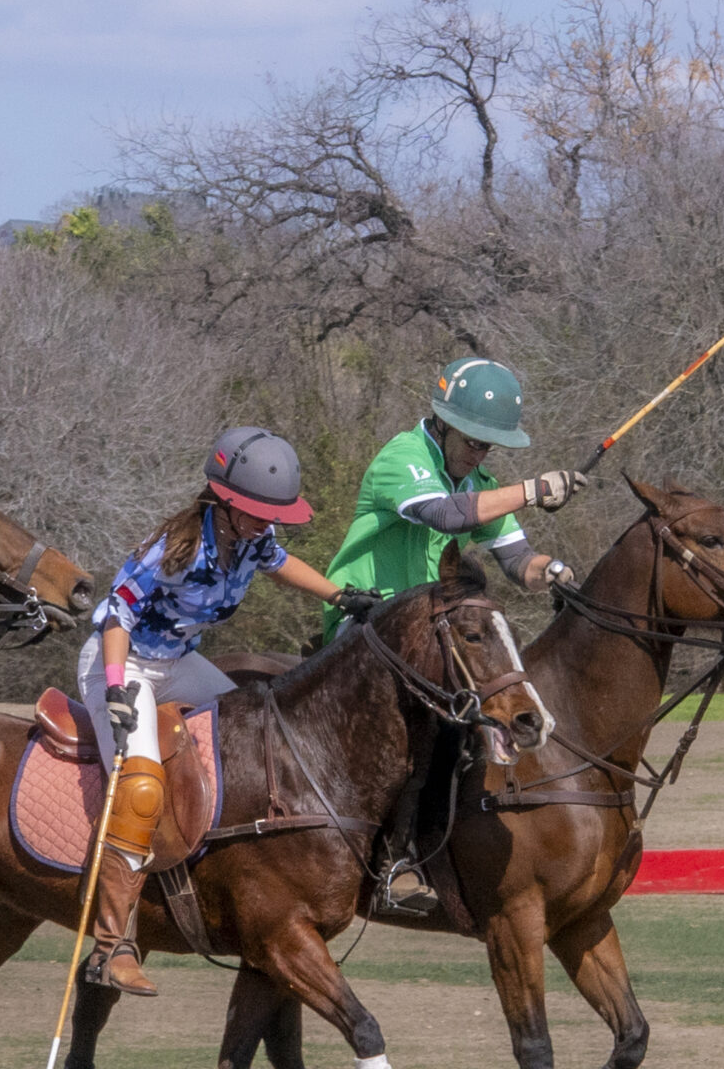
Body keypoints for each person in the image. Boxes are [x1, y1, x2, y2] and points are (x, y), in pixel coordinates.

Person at [82, 426, 374, 996]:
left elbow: (283, 563)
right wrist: (116, 688)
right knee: (141, 787)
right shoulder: (173, 549)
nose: (268, 525)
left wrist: (339, 596)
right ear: (225, 503)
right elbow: (116, 615)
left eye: (273, 516)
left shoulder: (252, 540)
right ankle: (111, 945)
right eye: (259, 514)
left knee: (251, 727)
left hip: (176, 663)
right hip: (121, 664)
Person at [321, 356, 586, 916]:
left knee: (493, 708)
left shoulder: (481, 483)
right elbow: (445, 515)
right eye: (473, 441)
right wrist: (533, 489)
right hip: (363, 626)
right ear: (441, 423)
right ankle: (388, 859)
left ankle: (451, 855)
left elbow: (517, 560)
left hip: (430, 639)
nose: (480, 454)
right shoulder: (404, 458)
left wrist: (554, 570)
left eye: (490, 447)